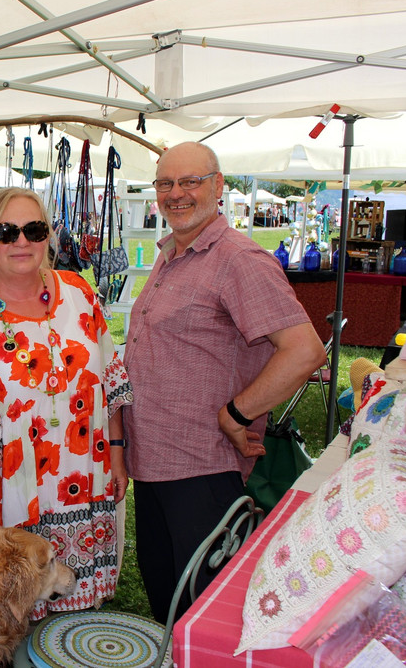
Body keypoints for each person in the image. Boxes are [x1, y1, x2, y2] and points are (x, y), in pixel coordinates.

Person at [122, 142, 326, 623]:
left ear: (217, 186)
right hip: (153, 464)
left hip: (202, 469)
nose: (176, 193)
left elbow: (305, 350)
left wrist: (236, 413)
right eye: (166, 183)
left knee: (201, 608)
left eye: (189, 181)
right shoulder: (173, 253)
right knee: (168, 603)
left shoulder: (238, 259)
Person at [0, 187, 133, 621]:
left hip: (85, 479)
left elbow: (109, 380)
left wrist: (117, 453)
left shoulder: (79, 292)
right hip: (10, 495)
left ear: (48, 238)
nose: (21, 242)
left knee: (74, 627)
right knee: (7, 626)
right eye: (6, 232)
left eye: (34, 230)